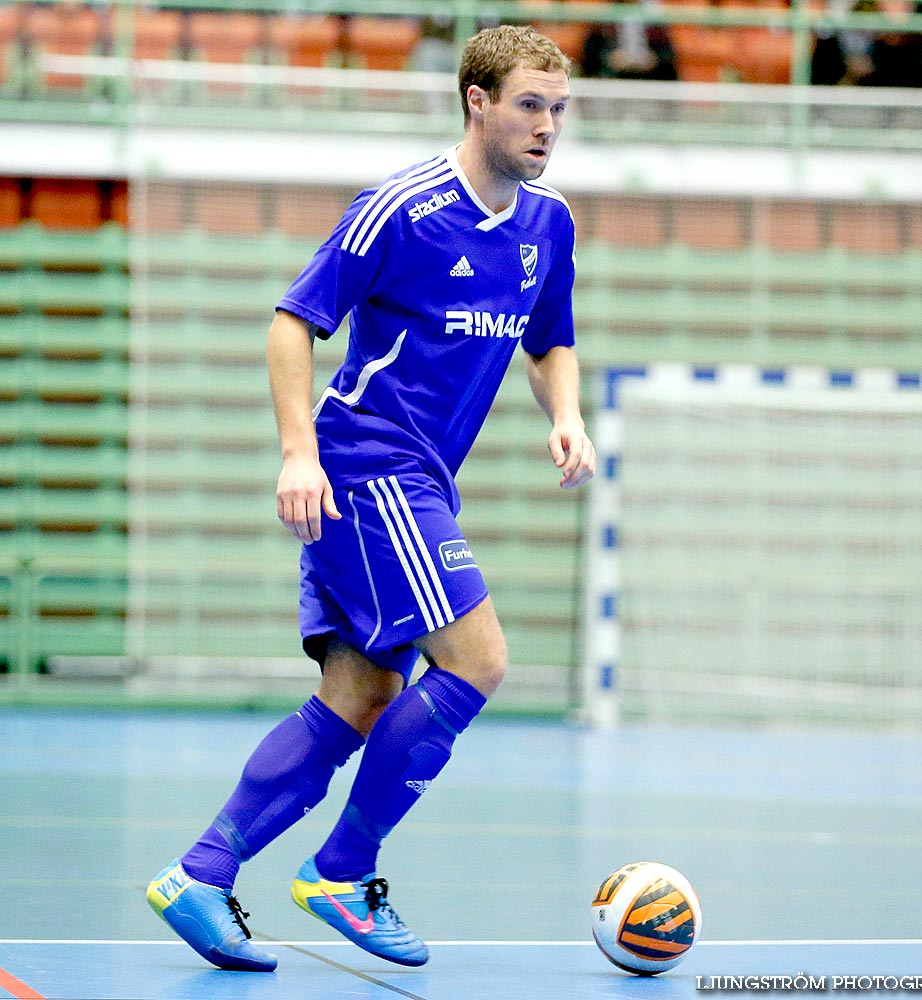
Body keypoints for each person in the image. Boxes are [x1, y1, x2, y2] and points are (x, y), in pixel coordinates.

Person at [146, 24, 595, 974]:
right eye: (529, 104)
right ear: (476, 101)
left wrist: (566, 414)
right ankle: (344, 870)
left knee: (361, 693)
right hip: (365, 464)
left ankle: (201, 872)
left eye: (559, 107)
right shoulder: (401, 207)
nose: (548, 125)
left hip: (423, 478)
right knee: (478, 661)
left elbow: (548, 338)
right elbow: (291, 321)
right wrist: (297, 454)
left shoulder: (547, 223)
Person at [581, 0, 678, 81]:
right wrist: (609, 57)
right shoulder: (605, 15)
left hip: (650, 77)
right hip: (613, 77)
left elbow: (668, 53)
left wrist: (654, 58)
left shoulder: (655, 15)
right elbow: (591, 52)